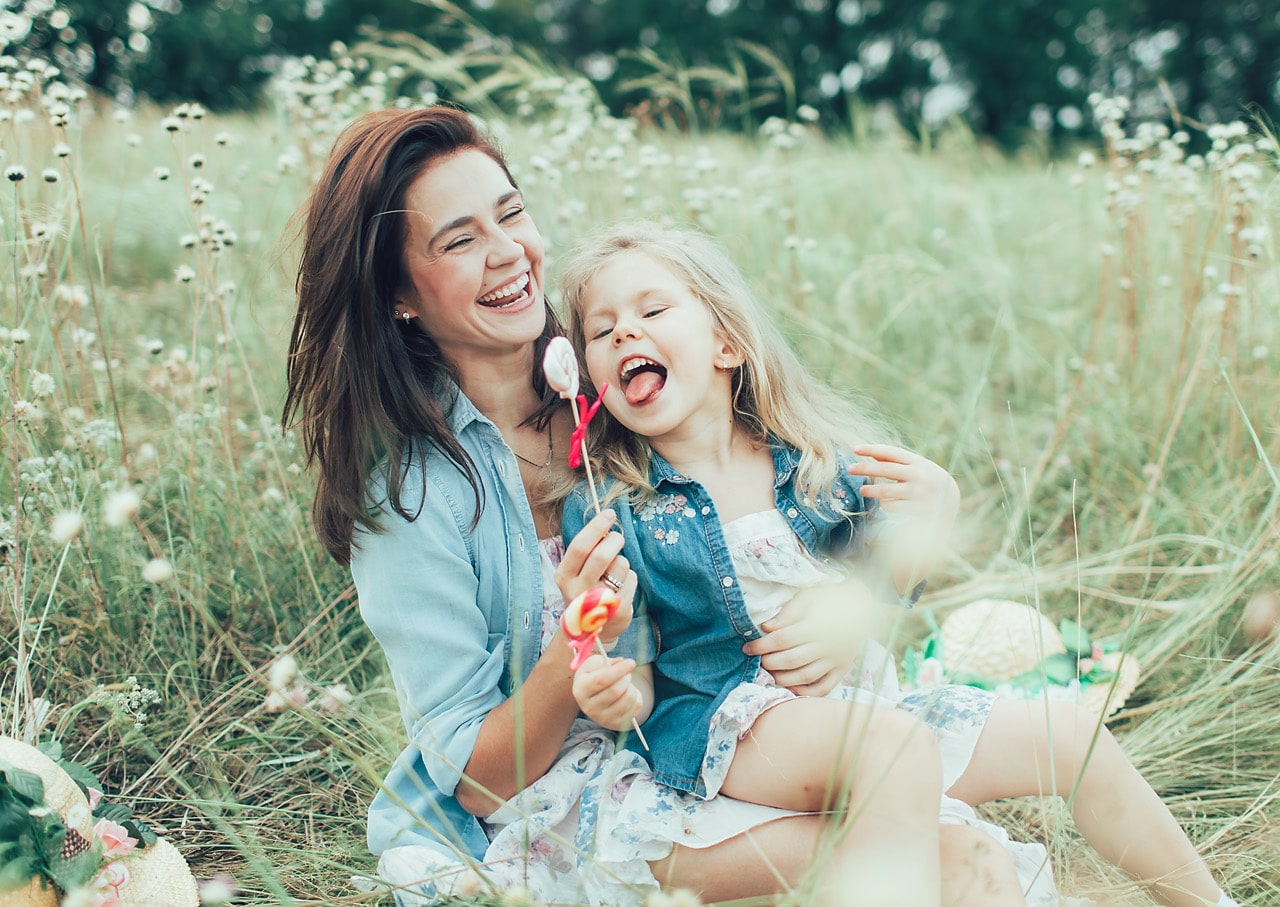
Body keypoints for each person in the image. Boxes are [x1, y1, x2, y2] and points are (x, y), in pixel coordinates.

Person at [283, 105, 1037, 907]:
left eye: (511, 214)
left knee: (957, 815)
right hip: (563, 805)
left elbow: (773, 538)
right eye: (460, 240)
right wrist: (578, 650)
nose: (509, 253)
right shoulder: (411, 496)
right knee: (940, 855)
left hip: (717, 737)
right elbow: (476, 781)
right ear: (399, 295)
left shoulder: (620, 383)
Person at [555, 221, 1244, 907]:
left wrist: (934, 513)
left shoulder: (818, 462)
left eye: (651, 310)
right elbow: (633, 675)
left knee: (1068, 735)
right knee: (893, 747)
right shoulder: (615, 506)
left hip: (867, 704)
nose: (623, 334)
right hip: (731, 729)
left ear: (727, 342)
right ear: (593, 378)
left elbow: (891, 575)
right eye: (600, 329)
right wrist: (617, 693)